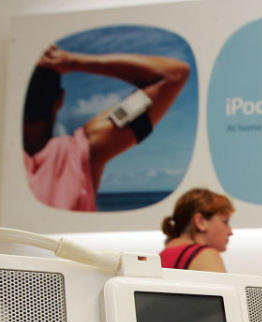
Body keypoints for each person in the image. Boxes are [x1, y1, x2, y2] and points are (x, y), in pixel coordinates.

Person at [23, 44, 190, 212]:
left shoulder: (79, 151)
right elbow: (174, 75)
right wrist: (71, 61)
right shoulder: (81, 151)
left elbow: (175, 75)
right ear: (60, 99)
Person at [159, 188, 234, 272]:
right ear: (200, 222)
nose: (230, 232)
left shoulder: (161, 257)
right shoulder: (205, 255)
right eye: (225, 222)